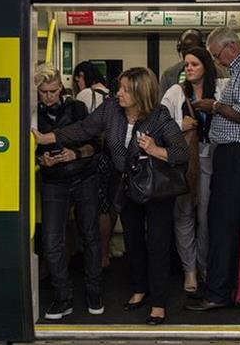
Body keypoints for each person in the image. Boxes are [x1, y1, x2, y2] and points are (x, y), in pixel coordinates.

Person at [32, 67, 188, 325]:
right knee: (133, 241)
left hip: (155, 189)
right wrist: (47, 137)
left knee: (158, 245)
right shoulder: (111, 109)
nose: (119, 93)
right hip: (126, 186)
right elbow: (83, 129)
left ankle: (158, 303)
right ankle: (140, 289)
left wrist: (154, 149)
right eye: (120, 88)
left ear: (140, 92)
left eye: (125, 89)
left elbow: (180, 153)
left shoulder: (159, 116)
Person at [185, 26, 240, 311]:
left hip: (236, 154)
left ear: (230, 46)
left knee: (223, 223)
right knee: (218, 220)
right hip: (227, 154)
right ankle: (217, 288)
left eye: (216, 55)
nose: (217, 62)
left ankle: (218, 293)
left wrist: (214, 107)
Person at [33, 63, 103, 320]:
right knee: (52, 241)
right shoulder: (31, 114)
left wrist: (75, 153)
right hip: (53, 180)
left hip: (83, 176)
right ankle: (63, 296)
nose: (49, 96)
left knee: (90, 236)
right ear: (37, 92)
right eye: (44, 92)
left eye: (53, 90)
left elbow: (95, 145)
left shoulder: (77, 108)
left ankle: (94, 292)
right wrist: (43, 161)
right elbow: (32, 152)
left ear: (61, 88)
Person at [160, 46, 229, 295]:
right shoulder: (176, 92)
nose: (188, 68)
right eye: (186, 64)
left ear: (206, 67)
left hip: (213, 158)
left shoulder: (221, 89)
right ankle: (189, 270)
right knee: (184, 214)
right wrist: (181, 124)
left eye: (194, 64)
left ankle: (205, 266)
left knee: (207, 217)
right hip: (184, 161)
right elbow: (159, 123)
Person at [72, 61, 119, 268]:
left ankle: (99, 254)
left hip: (94, 156)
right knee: (111, 203)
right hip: (113, 156)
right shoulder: (112, 95)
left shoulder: (85, 96)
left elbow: (80, 128)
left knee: (98, 206)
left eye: (77, 78)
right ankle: (107, 248)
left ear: (82, 76)